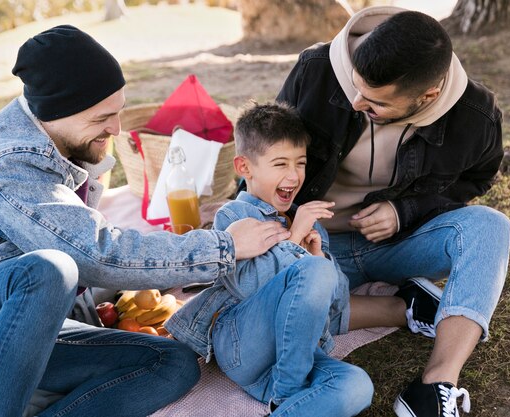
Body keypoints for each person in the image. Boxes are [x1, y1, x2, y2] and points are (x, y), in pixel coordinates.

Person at [0, 26, 291, 417]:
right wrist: (224, 246)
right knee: (50, 269)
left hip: (21, 332)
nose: (117, 129)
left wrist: (93, 153)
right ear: (59, 112)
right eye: (103, 118)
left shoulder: (51, 132)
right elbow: (94, 252)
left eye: (119, 111)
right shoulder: (8, 160)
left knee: (172, 362)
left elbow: (89, 229)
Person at [276, 6, 510, 417]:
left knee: (491, 226)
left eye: (375, 102)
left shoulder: (476, 116)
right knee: (279, 320)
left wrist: (405, 211)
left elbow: (475, 180)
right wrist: (287, 224)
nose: (355, 101)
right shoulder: (316, 68)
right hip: (314, 241)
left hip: (397, 243)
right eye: (356, 87)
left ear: (427, 97)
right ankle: (406, 307)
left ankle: (435, 385)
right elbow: (271, 149)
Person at [166, 102, 441, 417]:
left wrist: (317, 254)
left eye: (300, 163)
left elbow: (336, 306)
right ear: (244, 168)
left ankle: (283, 404)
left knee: (356, 386)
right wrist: (295, 242)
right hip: (242, 346)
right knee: (313, 270)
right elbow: (247, 287)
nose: (294, 175)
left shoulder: (309, 224)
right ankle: (288, 394)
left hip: (290, 359)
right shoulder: (235, 215)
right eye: (280, 163)